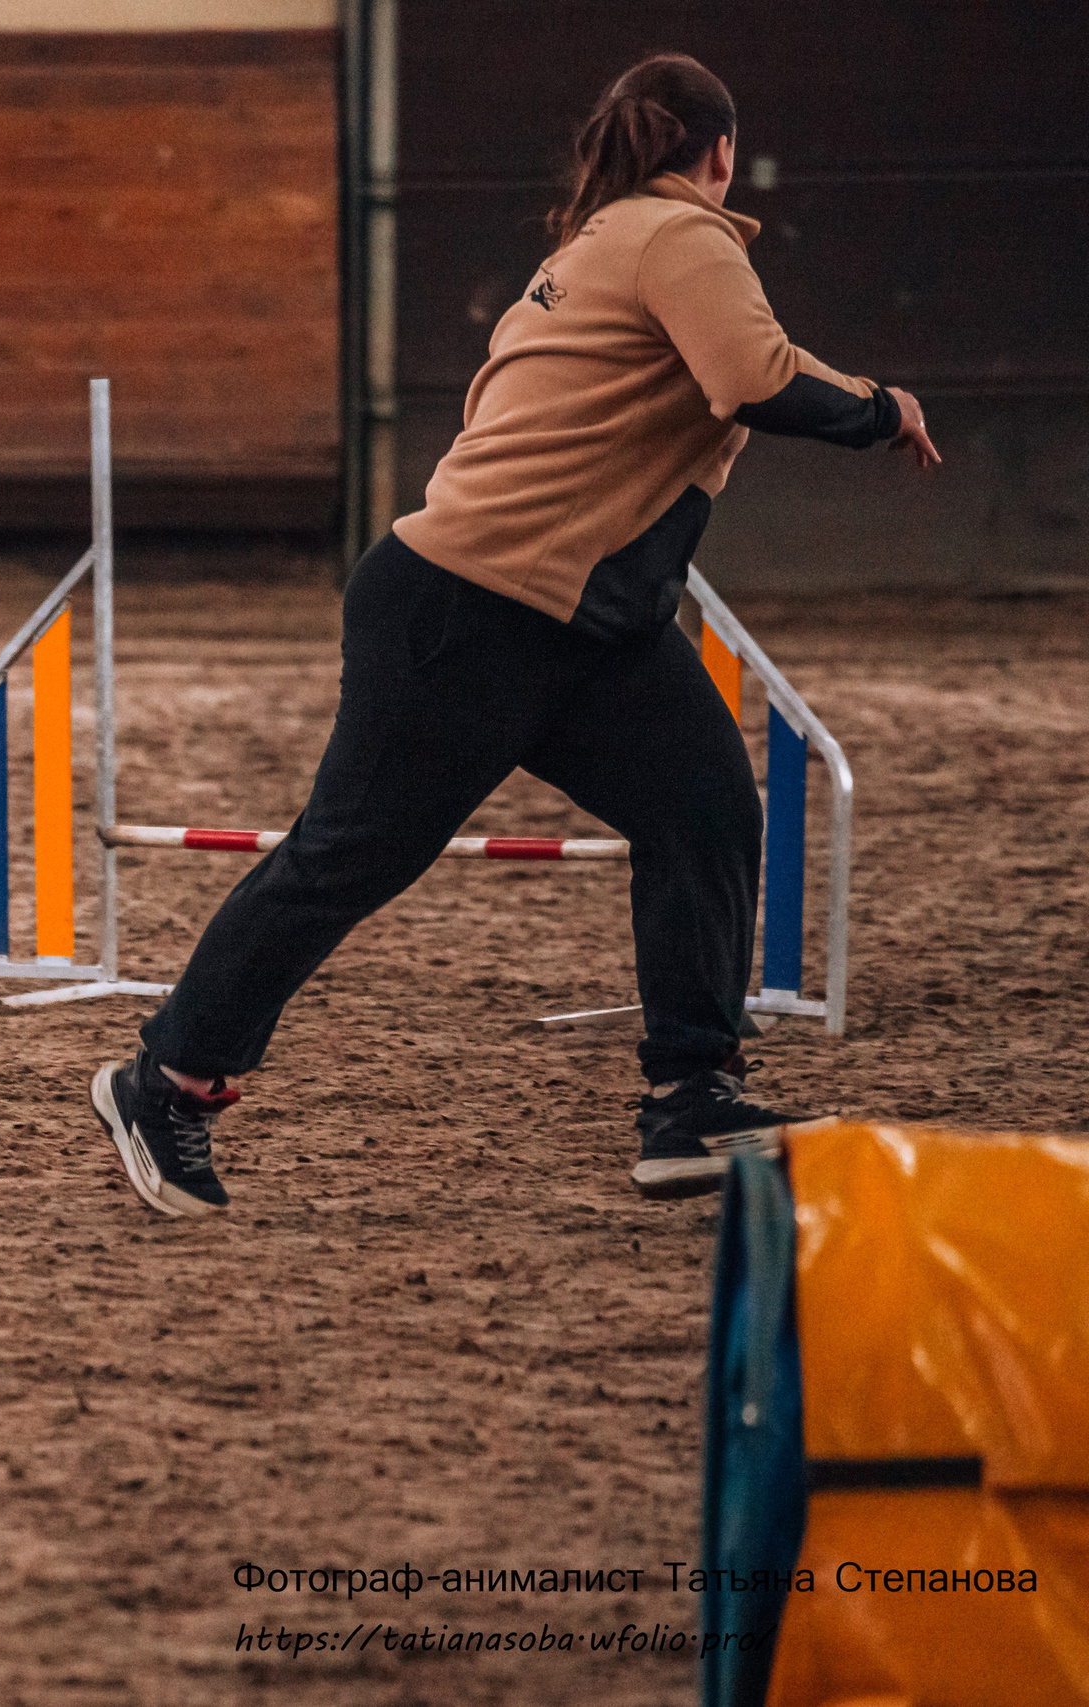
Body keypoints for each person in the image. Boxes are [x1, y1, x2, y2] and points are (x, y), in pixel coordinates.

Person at [89, 53, 941, 1216]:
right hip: (476, 607)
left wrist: (866, 390)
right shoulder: (683, 238)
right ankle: (165, 1082)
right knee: (348, 856)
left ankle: (692, 1099)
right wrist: (880, 412)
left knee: (702, 812)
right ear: (721, 151)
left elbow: (735, 363)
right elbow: (750, 377)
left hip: (577, 619)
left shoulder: (598, 246)